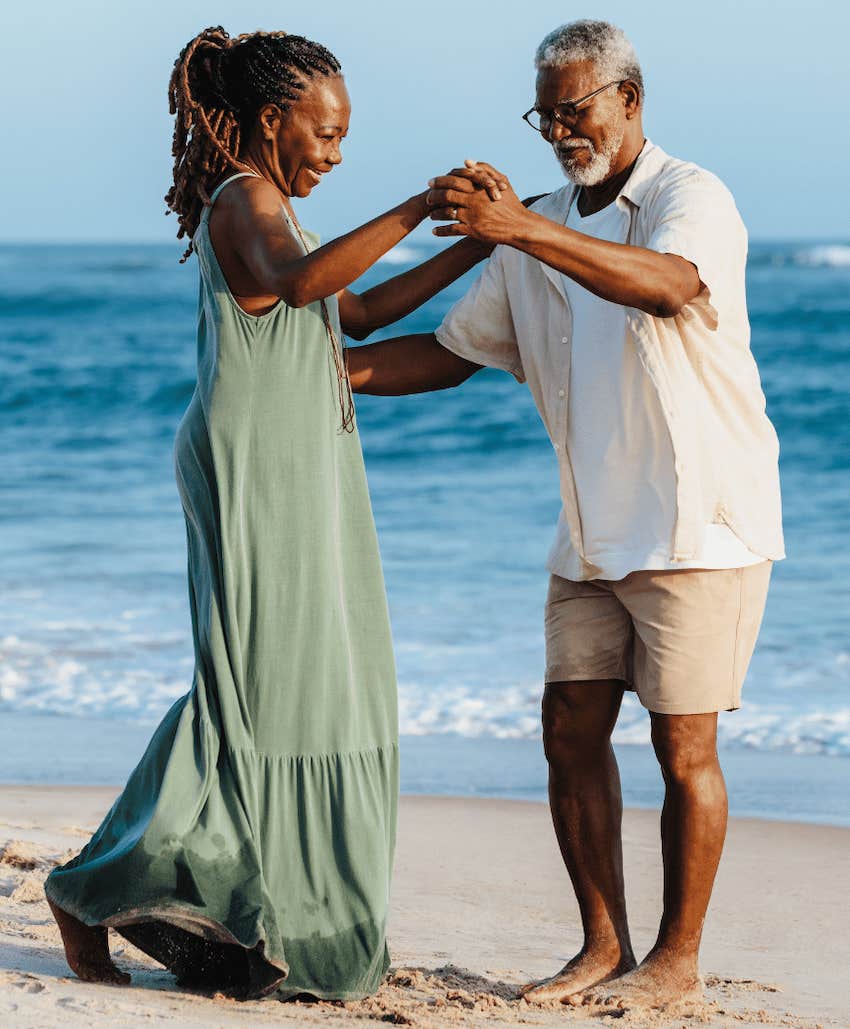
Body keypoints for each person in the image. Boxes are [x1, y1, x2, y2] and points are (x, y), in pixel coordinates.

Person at [44, 25, 499, 1001]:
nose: (334, 155)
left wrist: (482, 245)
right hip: (254, 470)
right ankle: (86, 891)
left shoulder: (280, 214)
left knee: (309, 686)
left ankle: (273, 911)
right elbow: (300, 284)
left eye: (343, 139)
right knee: (246, 694)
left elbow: (358, 314)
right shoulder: (245, 201)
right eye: (324, 134)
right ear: (266, 121)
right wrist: (423, 204)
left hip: (304, 466)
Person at [345, 19, 783, 1011]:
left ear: (630, 100)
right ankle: (599, 947)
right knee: (567, 729)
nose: (557, 131)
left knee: (684, 749)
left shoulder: (688, 196)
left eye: (572, 108)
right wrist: (317, 379)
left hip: (697, 524)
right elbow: (452, 355)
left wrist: (523, 228)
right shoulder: (533, 225)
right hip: (590, 529)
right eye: (542, 114)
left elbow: (668, 287)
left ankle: (674, 962)